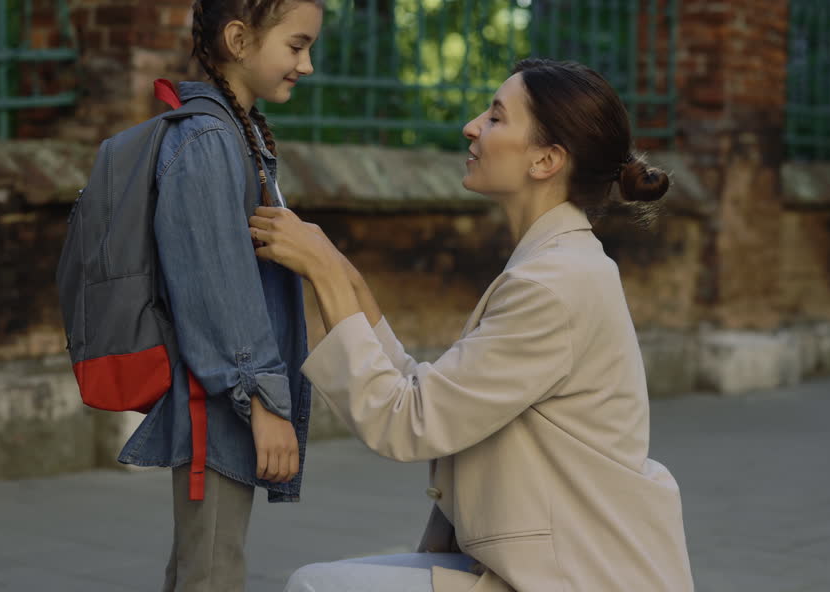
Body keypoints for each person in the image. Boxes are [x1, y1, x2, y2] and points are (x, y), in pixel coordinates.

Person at [251, 59, 695, 591]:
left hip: (573, 574)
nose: (472, 125)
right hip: (545, 562)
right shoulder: (557, 264)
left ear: (546, 159)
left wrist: (322, 269)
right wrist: (332, 263)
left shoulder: (553, 286)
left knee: (313, 586)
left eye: (496, 117)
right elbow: (429, 393)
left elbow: (405, 421)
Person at [116, 0, 323, 591]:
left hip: (227, 393)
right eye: (296, 44)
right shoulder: (208, 141)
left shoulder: (237, 133)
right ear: (239, 39)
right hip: (222, 399)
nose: (306, 64)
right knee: (212, 570)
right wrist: (264, 401)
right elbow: (215, 285)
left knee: (204, 565)